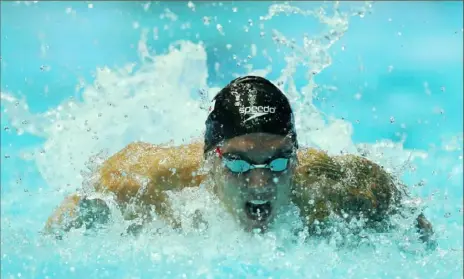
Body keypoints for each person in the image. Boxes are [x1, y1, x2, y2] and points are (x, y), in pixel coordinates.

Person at [44, 76, 435, 247]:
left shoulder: (344, 189)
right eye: (238, 165)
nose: (261, 181)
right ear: (208, 161)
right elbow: (57, 235)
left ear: (297, 159)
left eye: (279, 163)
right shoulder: (138, 182)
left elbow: (420, 235)